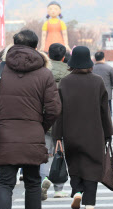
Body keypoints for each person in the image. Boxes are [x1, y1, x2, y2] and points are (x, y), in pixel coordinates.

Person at [0, 30, 61, 209]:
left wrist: (1, 121)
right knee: (33, 182)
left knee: (6, 181)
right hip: (33, 134)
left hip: (4, 133)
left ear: (13, 45)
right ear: (36, 48)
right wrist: (40, 126)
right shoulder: (44, 73)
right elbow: (53, 108)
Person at [53, 46, 113, 209]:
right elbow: (104, 111)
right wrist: (108, 133)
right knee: (93, 165)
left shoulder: (65, 82)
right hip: (94, 132)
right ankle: (90, 203)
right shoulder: (97, 81)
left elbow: (60, 111)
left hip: (70, 132)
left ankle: (78, 191)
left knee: (75, 162)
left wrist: (58, 135)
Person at [41, 43, 70, 200]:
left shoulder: (42, 72)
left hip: (46, 119)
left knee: (46, 153)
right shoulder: (69, 72)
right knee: (61, 153)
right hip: (64, 119)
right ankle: (59, 189)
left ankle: (44, 180)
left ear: (48, 55)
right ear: (64, 56)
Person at [92, 51, 113, 115]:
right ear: (104, 58)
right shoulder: (109, 68)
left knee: (96, 114)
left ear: (95, 59)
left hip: (94, 96)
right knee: (108, 114)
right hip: (107, 95)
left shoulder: (91, 69)